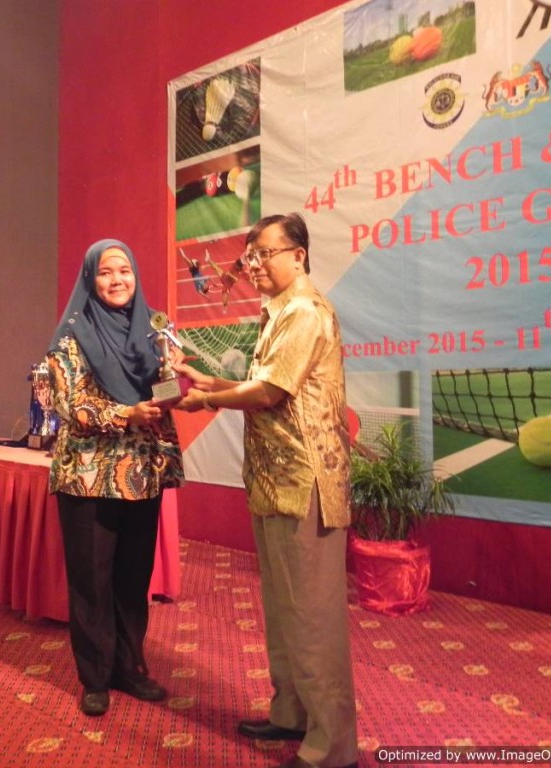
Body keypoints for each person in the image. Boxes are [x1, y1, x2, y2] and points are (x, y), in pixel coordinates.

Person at [174, 213, 358, 768]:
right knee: (283, 609)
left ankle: (333, 745)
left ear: (298, 255)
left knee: (313, 616)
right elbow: (264, 384)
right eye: (249, 256)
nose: (253, 265)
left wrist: (207, 400)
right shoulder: (277, 311)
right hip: (275, 480)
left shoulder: (305, 311)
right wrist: (212, 382)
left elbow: (271, 392)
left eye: (263, 254)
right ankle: (291, 714)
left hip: (306, 482)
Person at [46, 239, 184, 718]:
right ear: (91, 278)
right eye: (105, 272)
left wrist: (175, 383)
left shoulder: (155, 328)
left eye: (124, 270)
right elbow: (70, 406)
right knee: (92, 579)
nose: (117, 280)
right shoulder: (71, 336)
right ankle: (95, 676)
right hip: (88, 475)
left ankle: (129, 666)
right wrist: (128, 413)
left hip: (141, 472)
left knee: (132, 577)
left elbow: (168, 385)